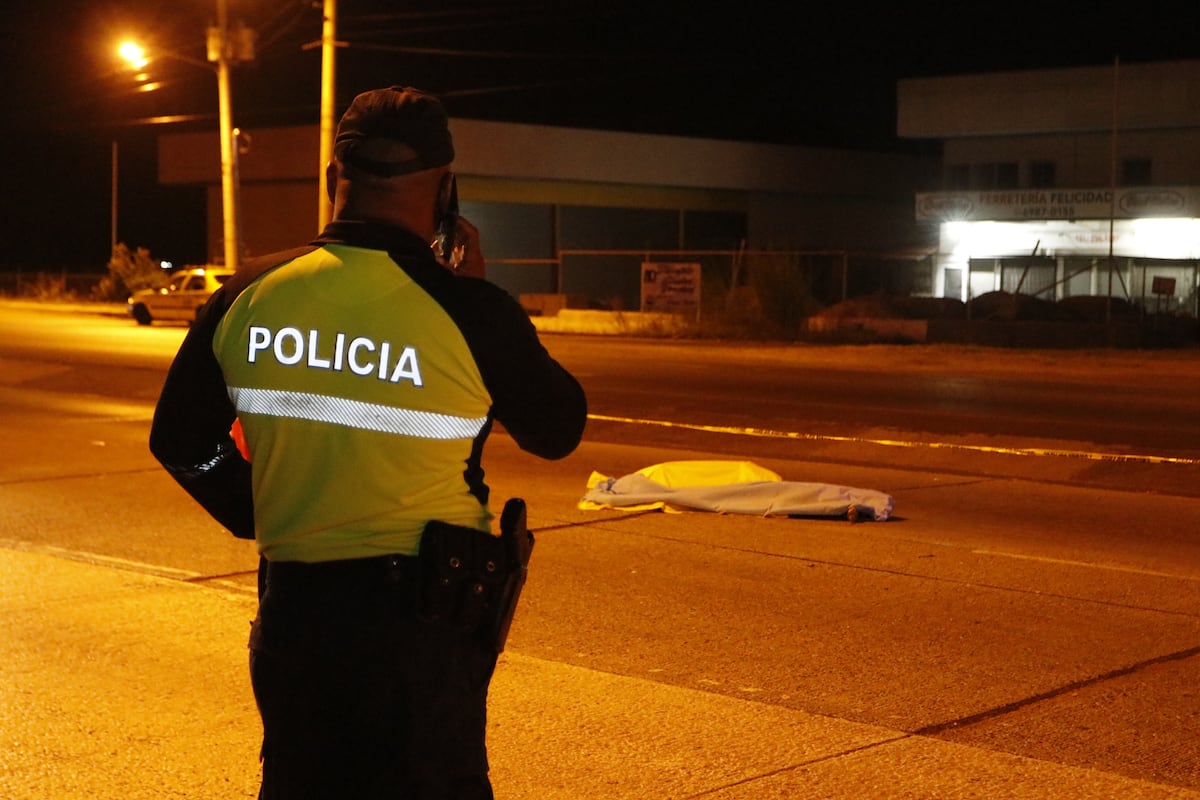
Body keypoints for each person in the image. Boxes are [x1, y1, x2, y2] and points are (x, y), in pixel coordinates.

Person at [149, 85, 587, 799]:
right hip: (425, 626)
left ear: (332, 182)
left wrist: (262, 514)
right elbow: (557, 430)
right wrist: (477, 299)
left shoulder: (247, 293)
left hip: (295, 615)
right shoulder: (470, 311)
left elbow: (180, 442)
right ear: (446, 193)